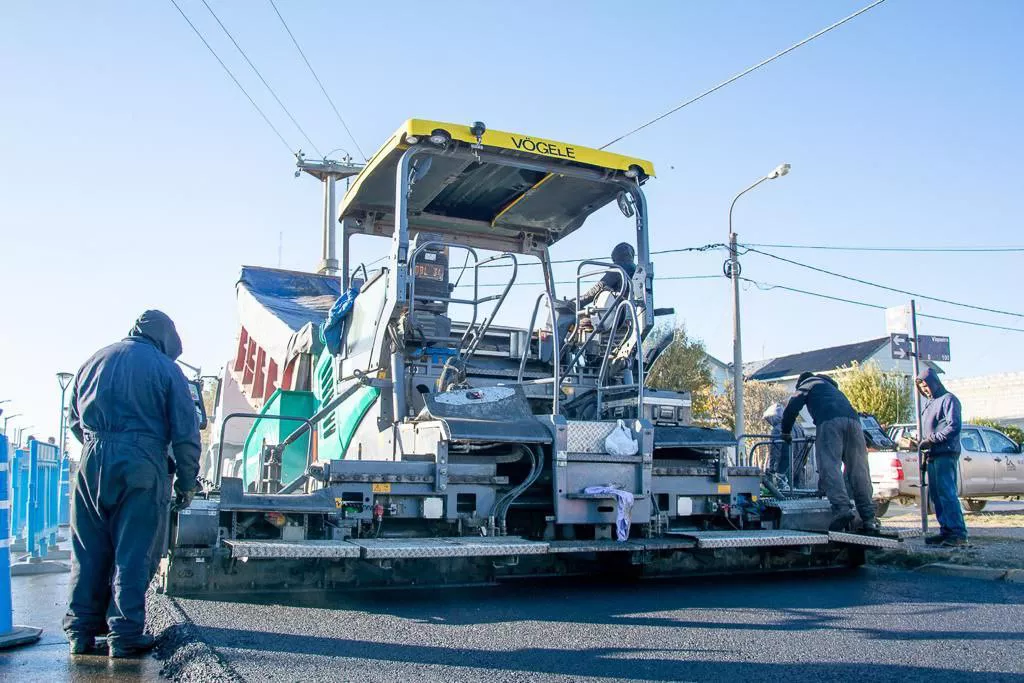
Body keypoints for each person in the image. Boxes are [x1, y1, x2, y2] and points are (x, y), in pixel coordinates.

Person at [63, 310, 201, 657]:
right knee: (134, 548)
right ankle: (124, 634)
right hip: (141, 462)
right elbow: (185, 433)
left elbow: (74, 420)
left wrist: (100, 446)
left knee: (88, 547)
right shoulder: (167, 370)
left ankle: (80, 631)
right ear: (166, 338)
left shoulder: (94, 360)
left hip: (91, 460)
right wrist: (187, 482)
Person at [780, 372, 880, 532]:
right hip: (855, 423)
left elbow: (792, 407)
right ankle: (868, 518)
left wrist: (785, 431)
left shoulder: (809, 383)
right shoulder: (835, 390)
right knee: (859, 470)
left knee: (829, 466)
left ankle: (842, 510)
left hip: (829, 422)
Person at [916, 367, 967, 547]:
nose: (924, 389)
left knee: (947, 493)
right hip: (932, 454)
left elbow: (954, 426)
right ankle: (946, 530)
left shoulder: (949, 400)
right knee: (936, 496)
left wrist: (932, 439)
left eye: (926, 385)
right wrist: (919, 441)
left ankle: (958, 533)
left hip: (945, 453)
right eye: (921, 387)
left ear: (935, 382)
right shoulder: (930, 404)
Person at [577, 242, 637, 308]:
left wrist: (580, 301)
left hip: (620, 310)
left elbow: (601, 285)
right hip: (629, 307)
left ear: (616, 256)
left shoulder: (619, 268)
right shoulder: (636, 269)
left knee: (585, 317)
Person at [763, 403, 806, 488]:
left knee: (783, 495)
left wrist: (772, 470)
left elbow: (775, 452)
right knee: (798, 495)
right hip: (798, 469)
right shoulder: (798, 426)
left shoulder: (778, 429)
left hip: (784, 470)